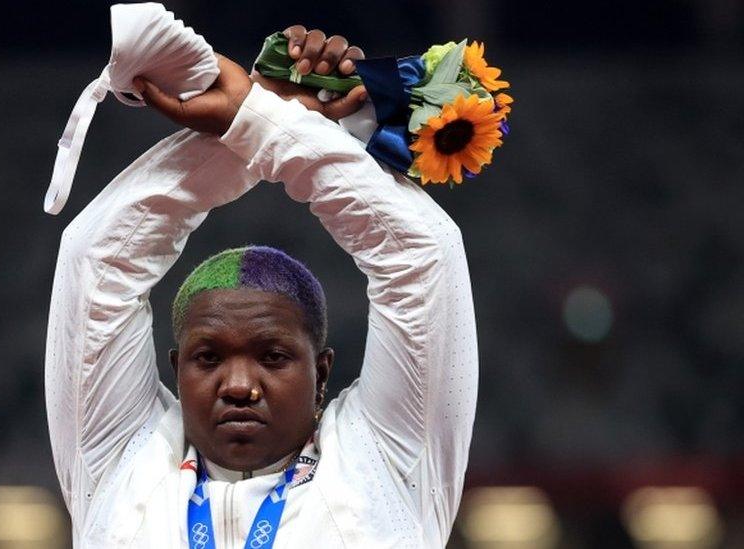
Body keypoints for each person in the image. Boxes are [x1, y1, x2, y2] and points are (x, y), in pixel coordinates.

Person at [44, 26, 478, 548]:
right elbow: (98, 260)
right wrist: (265, 118)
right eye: (207, 359)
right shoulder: (119, 458)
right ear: (175, 368)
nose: (239, 386)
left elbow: (421, 254)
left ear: (321, 373)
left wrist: (257, 120)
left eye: (272, 357)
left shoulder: (388, 459)